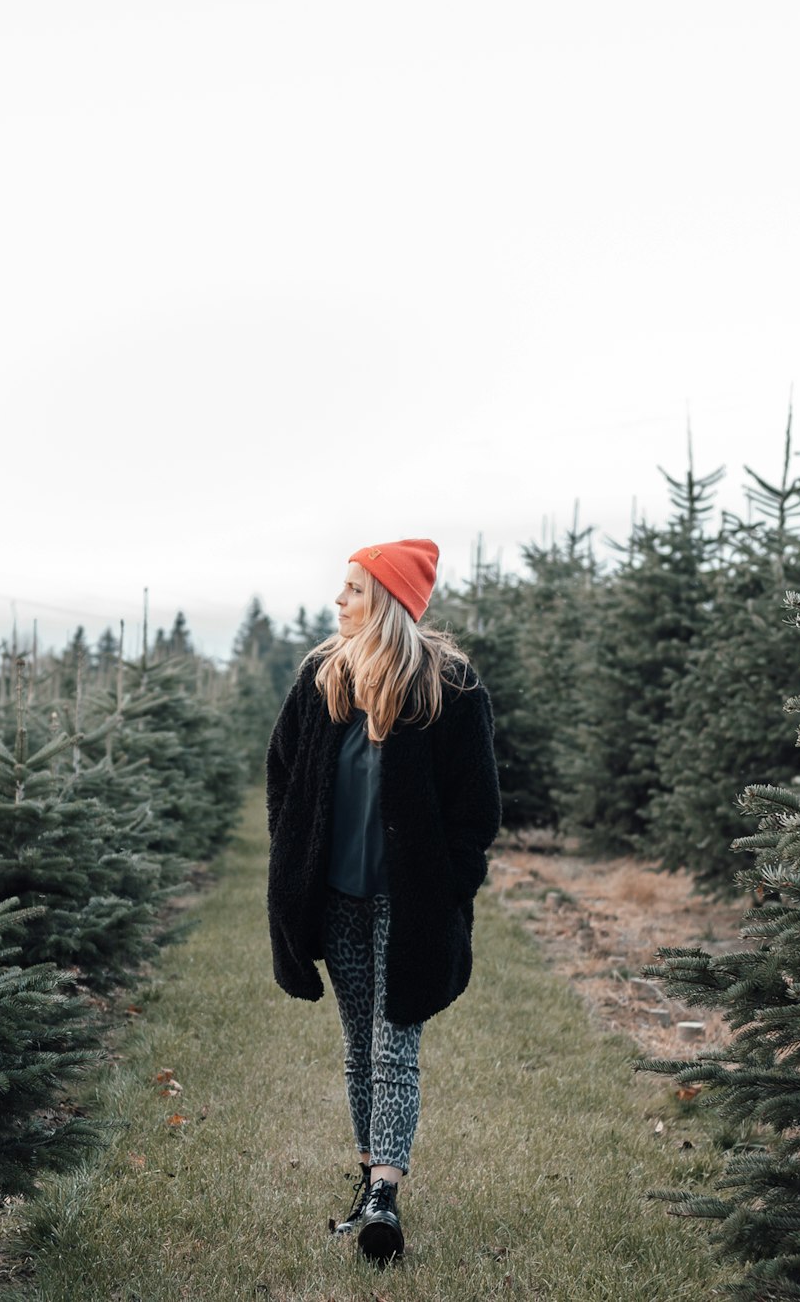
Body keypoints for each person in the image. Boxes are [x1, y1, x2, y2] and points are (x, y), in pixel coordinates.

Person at [265, 536, 502, 1264]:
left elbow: (477, 809)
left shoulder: (448, 688)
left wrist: (448, 887)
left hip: (410, 903)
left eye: (355, 591)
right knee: (358, 1047)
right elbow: (283, 777)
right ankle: (371, 1181)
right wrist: (294, 855)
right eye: (340, 590)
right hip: (336, 895)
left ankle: (385, 1194)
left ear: (390, 602)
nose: (338, 602)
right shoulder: (321, 679)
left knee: (394, 1042)